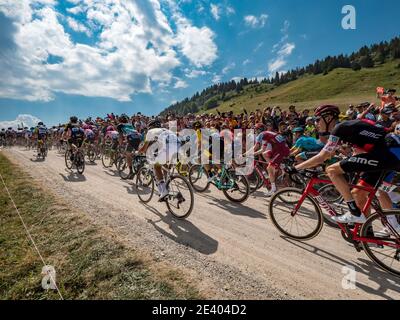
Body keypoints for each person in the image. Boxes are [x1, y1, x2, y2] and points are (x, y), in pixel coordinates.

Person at [293, 105, 400, 225]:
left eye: (318, 119)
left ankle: (353, 212)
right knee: (358, 193)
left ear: (328, 118)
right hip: (390, 153)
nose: (316, 123)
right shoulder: (348, 127)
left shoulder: (340, 128)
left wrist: (295, 168)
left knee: (332, 170)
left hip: (389, 153)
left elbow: (324, 156)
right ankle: (376, 231)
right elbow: (352, 151)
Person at [244, 123, 290, 196]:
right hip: (281, 149)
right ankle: (278, 166)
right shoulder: (267, 135)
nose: (255, 131)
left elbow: (256, 147)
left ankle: (273, 189)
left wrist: (246, 153)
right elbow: (262, 150)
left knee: (269, 168)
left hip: (280, 151)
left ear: (258, 130)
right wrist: (252, 154)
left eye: (255, 130)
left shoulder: (261, 135)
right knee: (265, 153)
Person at [138, 119, 178, 201]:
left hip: (168, 146)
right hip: (177, 145)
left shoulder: (151, 132)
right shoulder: (165, 130)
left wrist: (138, 151)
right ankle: (167, 185)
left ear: (151, 127)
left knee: (157, 166)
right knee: (164, 164)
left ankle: (164, 191)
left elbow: (144, 147)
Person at [117, 114, 142, 179]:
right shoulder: (130, 124)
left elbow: (120, 136)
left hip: (131, 138)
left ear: (119, 121)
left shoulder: (120, 125)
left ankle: (131, 172)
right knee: (136, 153)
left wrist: (120, 144)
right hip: (139, 138)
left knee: (127, 154)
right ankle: (138, 164)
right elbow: (131, 132)